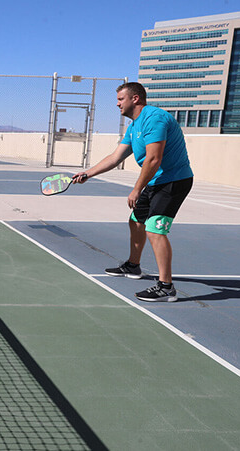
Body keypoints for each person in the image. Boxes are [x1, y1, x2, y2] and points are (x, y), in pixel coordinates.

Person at [72, 82, 193, 302]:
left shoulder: (154, 119)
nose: (117, 104)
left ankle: (166, 287)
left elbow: (153, 159)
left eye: (120, 99)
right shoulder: (134, 126)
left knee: (155, 229)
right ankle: (134, 266)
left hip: (174, 181)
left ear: (135, 99)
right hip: (156, 181)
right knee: (136, 221)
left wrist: (136, 189)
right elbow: (115, 157)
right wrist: (88, 174)